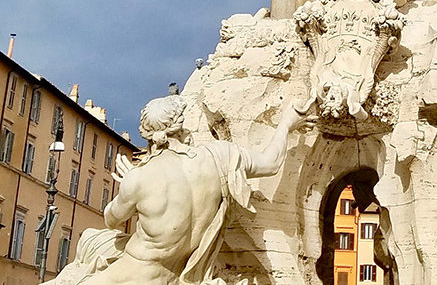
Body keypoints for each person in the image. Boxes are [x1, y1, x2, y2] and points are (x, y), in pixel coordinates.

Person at [50, 93, 303, 285]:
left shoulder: (140, 178)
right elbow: (271, 163)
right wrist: (288, 122)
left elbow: (112, 220)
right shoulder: (220, 157)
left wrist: (130, 183)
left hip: (134, 275)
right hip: (178, 274)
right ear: (182, 126)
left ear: (148, 136)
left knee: (90, 242)